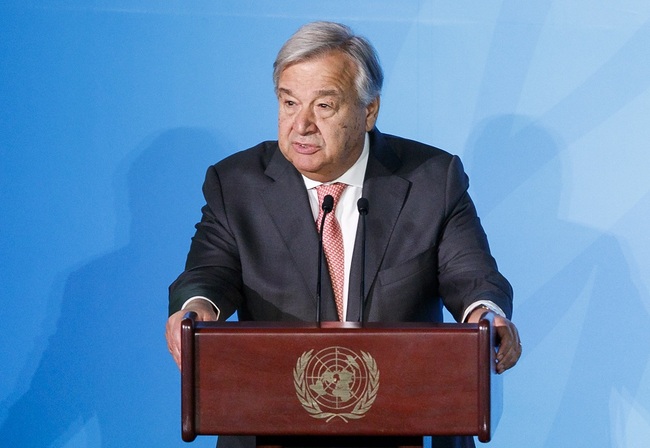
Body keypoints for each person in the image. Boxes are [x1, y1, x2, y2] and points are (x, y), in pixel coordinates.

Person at [166, 21, 521, 448]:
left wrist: (487, 316)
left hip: (410, 425)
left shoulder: (432, 179)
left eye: (324, 106)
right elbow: (209, 272)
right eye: (289, 102)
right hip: (272, 427)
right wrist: (195, 309)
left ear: (368, 111)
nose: (301, 126)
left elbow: (472, 276)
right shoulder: (237, 184)